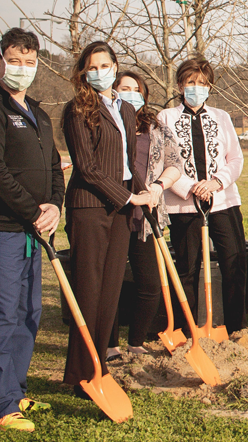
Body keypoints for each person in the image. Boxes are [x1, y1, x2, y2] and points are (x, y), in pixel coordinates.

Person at [0, 27, 64, 432]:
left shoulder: (38, 113)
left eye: (29, 61)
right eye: (14, 60)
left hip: (32, 230)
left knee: (29, 312)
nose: (22, 68)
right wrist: (32, 211)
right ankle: (1, 406)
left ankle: (16, 390)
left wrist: (54, 207)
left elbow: (56, 167)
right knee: (2, 315)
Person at [62, 41, 154, 396]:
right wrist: (128, 196)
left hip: (119, 210)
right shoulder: (78, 110)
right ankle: (81, 374)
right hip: (89, 208)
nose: (100, 71)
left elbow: (130, 165)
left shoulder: (126, 110)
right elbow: (87, 167)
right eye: (92, 67)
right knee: (89, 289)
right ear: (84, 73)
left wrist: (145, 195)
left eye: (105, 64)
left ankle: (99, 367)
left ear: (116, 66)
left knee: (110, 291)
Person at [158, 58, 248, 335]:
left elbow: (235, 158)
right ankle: (186, 332)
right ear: (179, 85)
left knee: (234, 262)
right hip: (183, 205)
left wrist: (215, 182)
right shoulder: (165, 119)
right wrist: (189, 187)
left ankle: (236, 329)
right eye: (190, 83)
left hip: (222, 201)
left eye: (202, 83)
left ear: (209, 87)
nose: (196, 88)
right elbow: (162, 161)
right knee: (187, 268)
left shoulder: (221, 117)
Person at [106, 71, 183, 361]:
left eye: (135, 89)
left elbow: (175, 163)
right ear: (113, 92)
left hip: (146, 216)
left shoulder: (156, 127)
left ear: (144, 95)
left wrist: (157, 187)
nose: (130, 93)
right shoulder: (107, 124)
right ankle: (109, 344)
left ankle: (136, 342)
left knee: (150, 284)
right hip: (113, 213)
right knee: (110, 284)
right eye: (123, 88)